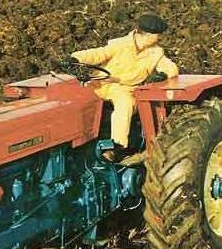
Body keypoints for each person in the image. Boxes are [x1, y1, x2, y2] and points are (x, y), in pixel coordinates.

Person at [65, 13, 179, 161]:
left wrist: (163, 75)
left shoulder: (156, 52)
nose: (159, 38)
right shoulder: (120, 44)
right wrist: (76, 57)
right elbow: (98, 54)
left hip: (123, 88)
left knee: (125, 104)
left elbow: (170, 68)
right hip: (100, 82)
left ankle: (116, 146)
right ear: (148, 35)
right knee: (72, 101)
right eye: (158, 35)